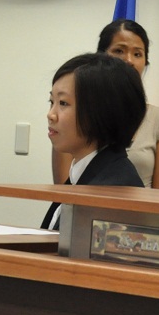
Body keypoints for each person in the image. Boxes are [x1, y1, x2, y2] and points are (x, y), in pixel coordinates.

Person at [51, 19, 159, 190]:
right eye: (119, 51)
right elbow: (66, 194)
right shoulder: (70, 121)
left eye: (137, 54)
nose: (129, 60)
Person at [41, 52, 146, 230]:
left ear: (102, 111)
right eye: (52, 102)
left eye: (63, 103)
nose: (51, 114)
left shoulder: (112, 190)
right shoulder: (87, 173)